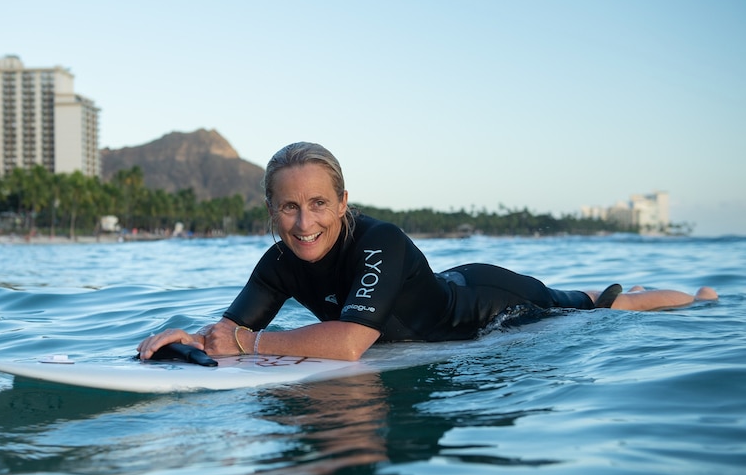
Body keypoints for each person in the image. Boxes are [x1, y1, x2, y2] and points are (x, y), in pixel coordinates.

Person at [138, 142, 718, 362]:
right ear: (272, 210)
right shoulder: (279, 262)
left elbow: (345, 344)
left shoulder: (379, 242)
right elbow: (234, 326)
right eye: (288, 208)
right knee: (590, 299)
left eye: (317, 204)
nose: (303, 221)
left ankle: (693, 296)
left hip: (491, 305)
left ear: (343, 202)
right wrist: (193, 337)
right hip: (446, 292)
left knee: (595, 306)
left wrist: (252, 343)